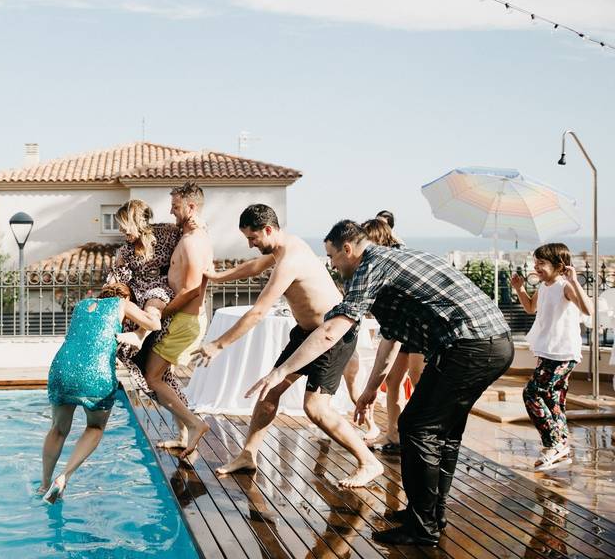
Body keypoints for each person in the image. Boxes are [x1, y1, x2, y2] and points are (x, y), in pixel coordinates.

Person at [248, 220, 511, 546]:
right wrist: (371, 389)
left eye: (331, 256)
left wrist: (280, 370)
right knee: (443, 431)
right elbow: (390, 338)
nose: (331, 265)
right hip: (490, 343)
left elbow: (333, 330)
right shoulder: (393, 261)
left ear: (348, 248)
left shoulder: (369, 268)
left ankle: (423, 527)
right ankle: (428, 513)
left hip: (469, 345)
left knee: (417, 427)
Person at [192, 204, 383, 488]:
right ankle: (248, 455)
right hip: (306, 333)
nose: (250, 244)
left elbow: (257, 313)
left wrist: (218, 345)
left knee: (316, 408)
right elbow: (254, 266)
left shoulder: (290, 259)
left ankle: (369, 462)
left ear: (268, 230)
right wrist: (218, 276)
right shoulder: (284, 247)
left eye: (253, 238)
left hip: (332, 336)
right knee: (269, 391)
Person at [41, 282, 162, 503]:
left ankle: (44, 483)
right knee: (95, 427)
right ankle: (64, 477)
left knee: (58, 429)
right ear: (127, 297)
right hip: (95, 374)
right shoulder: (122, 303)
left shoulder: (81, 305)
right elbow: (154, 324)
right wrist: (141, 327)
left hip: (61, 369)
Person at [141, 182, 214, 457]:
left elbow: (191, 289)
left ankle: (195, 425)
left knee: (153, 377)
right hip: (183, 318)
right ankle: (183, 433)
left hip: (183, 319)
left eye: (175, 206)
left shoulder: (194, 242)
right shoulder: (194, 234)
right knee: (165, 376)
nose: (171, 211)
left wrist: (162, 313)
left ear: (191, 207)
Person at [511, 243, 591, 471]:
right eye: (535, 262)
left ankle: (553, 443)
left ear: (559, 266)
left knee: (532, 393)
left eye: (541, 263)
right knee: (553, 400)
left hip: (563, 352)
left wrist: (575, 281)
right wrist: (519, 289)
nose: (536, 267)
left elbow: (588, 310)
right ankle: (562, 446)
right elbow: (529, 308)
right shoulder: (545, 286)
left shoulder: (565, 286)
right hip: (547, 350)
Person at [109, 199, 190, 405]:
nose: (120, 230)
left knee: (154, 300)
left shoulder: (166, 233)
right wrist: (116, 269)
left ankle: (141, 333)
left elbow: (190, 233)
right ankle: (139, 332)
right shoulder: (125, 250)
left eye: (123, 224)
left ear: (135, 221)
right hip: (138, 291)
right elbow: (119, 280)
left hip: (161, 286)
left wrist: (201, 224)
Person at [360, 217, 424, 454]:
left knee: (418, 380)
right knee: (393, 381)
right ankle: (394, 435)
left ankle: (418, 435)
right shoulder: (377, 263)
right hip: (401, 328)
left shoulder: (398, 257)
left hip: (418, 328)